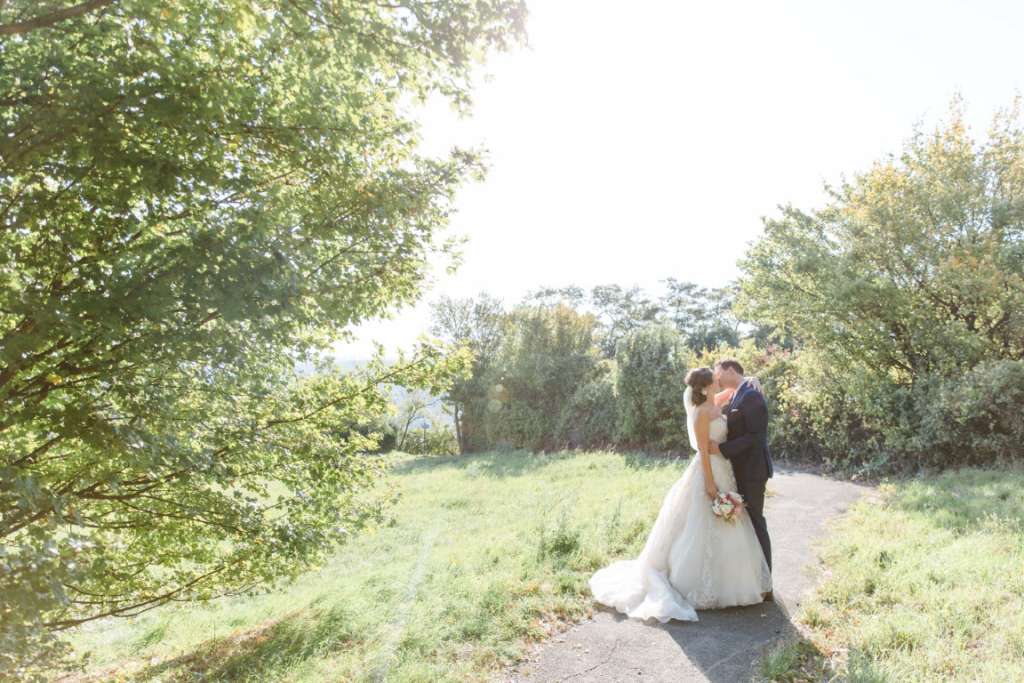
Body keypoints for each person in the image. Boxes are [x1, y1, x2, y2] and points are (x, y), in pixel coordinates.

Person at [588, 367, 771, 622]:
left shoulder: (715, 403)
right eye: (714, 379)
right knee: (700, 523)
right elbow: (703, 452)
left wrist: (751, 380)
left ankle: (732, 581)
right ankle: (693, 583)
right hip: (708, 471)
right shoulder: (701, 413)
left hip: (725, 471)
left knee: (730, 524)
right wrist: (709, 482)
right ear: (706, 386)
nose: (719, 381)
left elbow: (733, 391)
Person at [710, 358, 774, 596]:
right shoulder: (739, 391)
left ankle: (767, 583)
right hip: (739, 469)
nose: (716, 378)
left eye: (718, 372)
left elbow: (755, 437)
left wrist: (722, 450)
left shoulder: (752, 395)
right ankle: (751, 579)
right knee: (745, 524)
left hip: (753, 471)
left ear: (728, 370)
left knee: (756, 522)